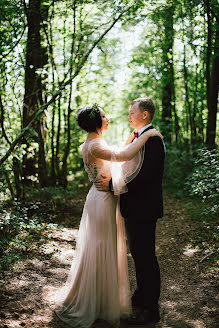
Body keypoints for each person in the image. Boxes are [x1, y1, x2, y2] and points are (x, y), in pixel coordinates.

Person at [54, 103, 162, 328]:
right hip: (102, 200)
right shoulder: (94, 145)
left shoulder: (96, 142)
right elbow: (121, 156)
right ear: (96, 121)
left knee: (108, 248)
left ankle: (106, 299)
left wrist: (135, 138)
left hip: (105, 198)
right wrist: (146, 135)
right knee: (102, 247)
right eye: (104, 116)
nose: (108, 118)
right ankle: (97, 302)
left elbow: (118, 157)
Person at [95, 97, 165, 325]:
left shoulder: (153, 140)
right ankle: (142, 295)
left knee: (146, 258)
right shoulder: (137, 138)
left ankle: (151, 309)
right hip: (133, 207)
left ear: (145, 114)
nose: (129, 115)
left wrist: (113, 186)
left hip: (144, 208)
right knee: (138, 254)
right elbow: (126, 166)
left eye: (132, 112)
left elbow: (146, 177)